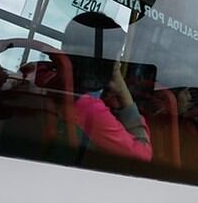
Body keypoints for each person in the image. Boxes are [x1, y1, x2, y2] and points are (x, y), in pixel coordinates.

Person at [62, 12, 152, 161]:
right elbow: (143, 156)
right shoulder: (89, 108)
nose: (119, 62)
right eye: (117, 55)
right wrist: (124, 93)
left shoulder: (44, 77)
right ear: (104, 60)